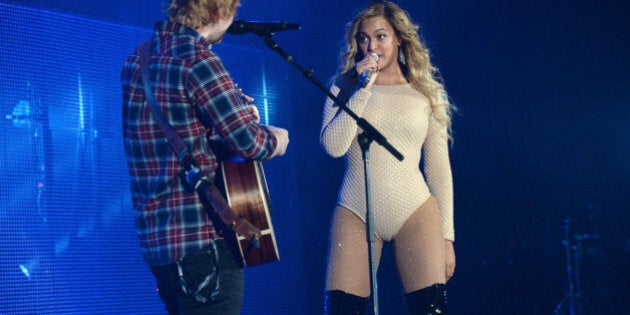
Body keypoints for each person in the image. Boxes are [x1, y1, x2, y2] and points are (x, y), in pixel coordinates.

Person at [121, 0, 289, 314]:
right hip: (201, 240)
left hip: (160, 243)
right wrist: (277, 139)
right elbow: (250, 144)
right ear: (222, 11)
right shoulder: (198, 60)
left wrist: (224, 122)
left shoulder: (138, 58)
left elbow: (167, 138)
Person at [320, 1, 456, 314]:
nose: (372, 46)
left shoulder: (424, 93)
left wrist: (447, 237)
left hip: (416, 210)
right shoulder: (343, 87)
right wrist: (363, 90)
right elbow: (333, 146)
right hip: (356, 209)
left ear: (397, 38)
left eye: (380, 37)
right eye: (364, 38)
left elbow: (438, 169)